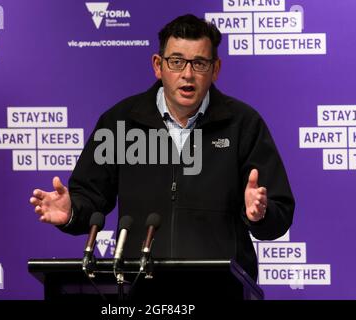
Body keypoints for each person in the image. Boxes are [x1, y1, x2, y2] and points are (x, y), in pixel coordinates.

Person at [29, 14, 294, 282]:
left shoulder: (243, 124)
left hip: (220, 287)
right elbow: (90, 197)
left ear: (215, 69)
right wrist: (71, 211)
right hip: (138, 285)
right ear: (158, 66)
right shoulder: (120, 122)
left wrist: (260, 214)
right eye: (177, 62)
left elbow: (279, 211)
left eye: (200, 63)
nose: (187, 74)